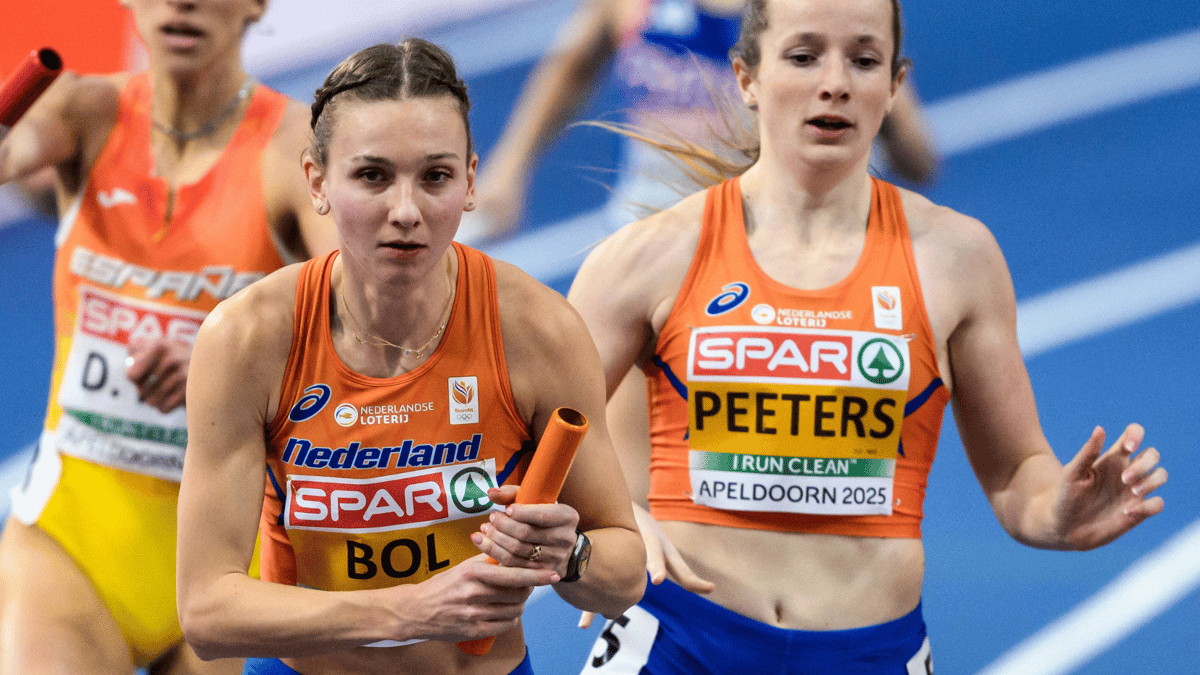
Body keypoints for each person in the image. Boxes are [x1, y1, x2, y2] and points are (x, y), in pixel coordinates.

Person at [566, 0, 1168, 672]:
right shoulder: (646, 258)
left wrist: (1053, 508)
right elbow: (531, 434)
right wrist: (610, 515)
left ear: (895, 86)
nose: (836, 83)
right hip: (678, 643)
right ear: (746, 77)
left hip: (870, 652)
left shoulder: (955, 258)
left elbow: (1015, 472)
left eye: (863, 59)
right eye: (803, 56)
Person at [174, 38, 646, 675]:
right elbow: (206, 613)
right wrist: (408, 611)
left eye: (435, 177)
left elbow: (625, 574)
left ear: (471, 182)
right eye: (372, 176)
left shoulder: (536, 331)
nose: (406, 211)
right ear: (316, 181)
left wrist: (572, 556)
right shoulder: (249, 340)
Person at [0, 0, 338, 672]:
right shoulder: (81, 113)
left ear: (255, 5)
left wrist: (225, 362)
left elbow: (369, 313)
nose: (183, 3)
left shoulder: (297, 149)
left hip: (234, 551)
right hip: (74, 537)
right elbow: (15, 150)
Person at [461, 0, 939, 244]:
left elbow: (918, 158)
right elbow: (574, 64)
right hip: (650, 231)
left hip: (778, 241)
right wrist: (510, 166)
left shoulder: (817, 13)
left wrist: (888, 130)